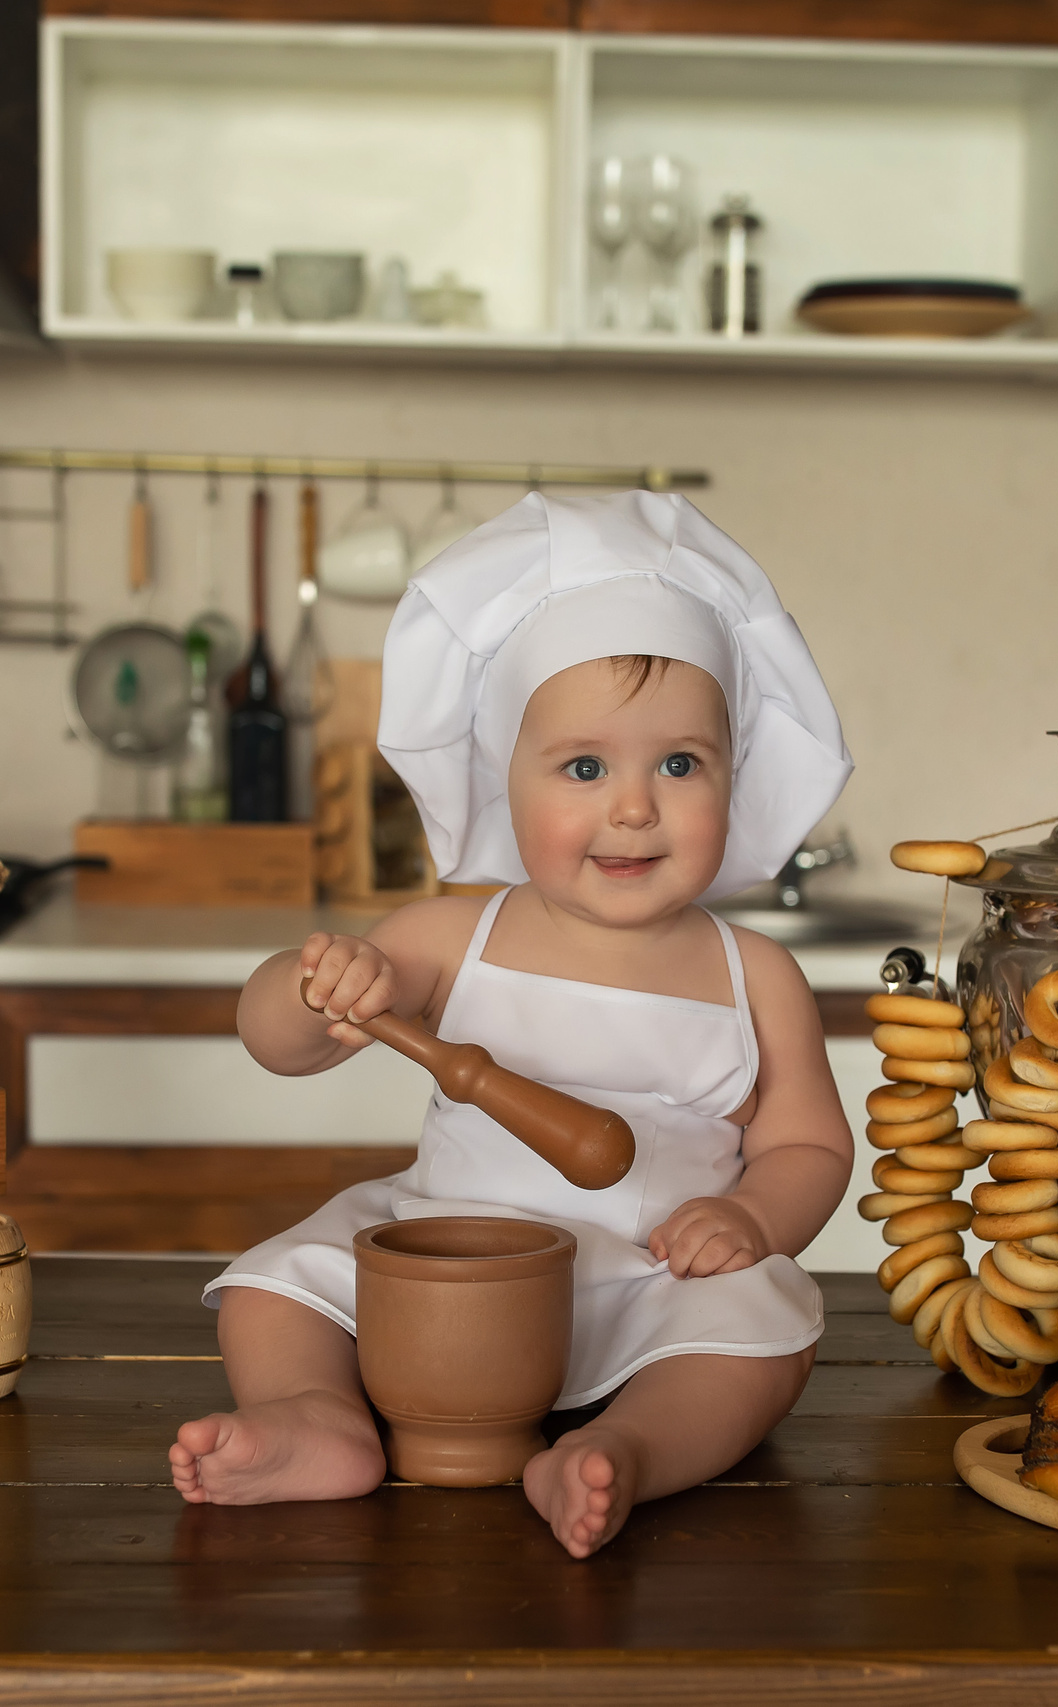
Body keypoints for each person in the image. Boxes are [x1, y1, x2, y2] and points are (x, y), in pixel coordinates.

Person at [168, 491, 857, 1558]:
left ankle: (624, 1450)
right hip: (441, 1267)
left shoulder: (754, 974)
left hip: (645, 1282)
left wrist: (754, 1220)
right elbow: (274, 1040)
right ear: (506, 775)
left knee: (765, 1334)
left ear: (736, 770)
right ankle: (321, 1417)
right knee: (271, 1290)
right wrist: (315, 989)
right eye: (585, 767)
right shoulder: (452, 935)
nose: (634, 807)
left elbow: (808, 1143)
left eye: (680, 764)